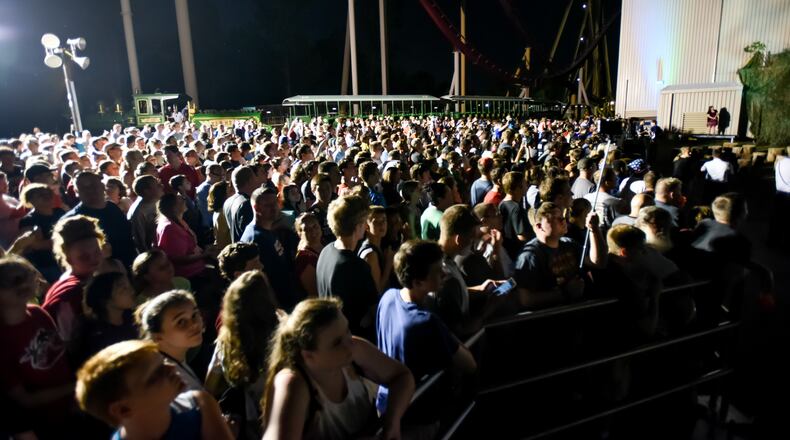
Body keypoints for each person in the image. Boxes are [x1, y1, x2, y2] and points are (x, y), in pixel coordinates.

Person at [260, 298, 415, 440]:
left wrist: (392, 421)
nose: (350, 343)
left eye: (347, 330)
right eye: (337, 342)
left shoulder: (352, 351)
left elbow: (402, 376)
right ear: (309, 356)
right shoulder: (293, 384)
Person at [377, 241, 477, 419]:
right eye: (438, 272)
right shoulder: (426, 322)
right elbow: (469, 364)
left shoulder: (388, 297)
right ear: (418, 282)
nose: (445, 274)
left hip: (388, 404)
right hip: (418, 415)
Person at [75, 340, 233, 440]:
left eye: (163, 362)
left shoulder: (201, 405)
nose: (171, 368)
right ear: (123, 409)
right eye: (156, 374)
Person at [0, 256, 74, 438]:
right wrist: (75, 386)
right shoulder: (2, 338)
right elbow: (24, 400)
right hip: (41, 426)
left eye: (26, 275)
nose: (23, 283)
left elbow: (62, 357)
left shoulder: (38, 313)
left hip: (72, 411)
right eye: (12, 281)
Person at [205, 271, 280, 440]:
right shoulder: (283, 335)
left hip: (249, 422)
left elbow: (210, 386)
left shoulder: (226, 342)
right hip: (283, 413)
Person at [514, 202, 606, 309]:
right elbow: (526, 299)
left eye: (562, 217)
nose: (564, 221)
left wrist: (594, 230)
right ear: (540, 226)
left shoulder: (569, 244)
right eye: (557, 219)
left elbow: (598, 263)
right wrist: (565, 293)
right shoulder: (529, 256)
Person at [316, 195, 379, 340]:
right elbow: (375, 310)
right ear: (358, 227)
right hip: (353, 342)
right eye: (364, 222)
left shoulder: (325, 251)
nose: (366, 226)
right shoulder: (356, 266)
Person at [43, 215, 106, 350]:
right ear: (68, 257)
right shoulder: (70, 294)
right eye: (84, 256)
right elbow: (69, 346)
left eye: (97, 252)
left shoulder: (93, 280)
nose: (93, 259)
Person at [135, 290, 206, 398]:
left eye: (194, 315)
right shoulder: (166, 379)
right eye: (181, 322)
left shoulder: (174, 359)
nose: (194, 324)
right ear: (158, 337)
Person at [240, 186, 298, 311]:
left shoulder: (269, 230)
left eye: (275, 203)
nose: (274, 208)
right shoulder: (256, 238)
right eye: (268, 205)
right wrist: (278, 311)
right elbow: (262, 282)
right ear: (256, 208)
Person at [64, 171, 136, 268]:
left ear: (102, 186)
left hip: (129, 264)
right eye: (84, 187)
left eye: (94, 185)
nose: (90, 190)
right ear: (76, 192)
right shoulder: (73, 220)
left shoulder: (112, 207)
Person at [80, 271, 138, 361]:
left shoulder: (133, 319)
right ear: (106, 300)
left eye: (129, 286)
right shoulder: (98, 338)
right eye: (124, 289)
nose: (132, 291)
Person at [155, 193, 214, 280]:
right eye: (181, 199)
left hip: (195, 268)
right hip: (189, 274)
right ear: (173, 207)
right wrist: (204, 255)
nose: (184, 200)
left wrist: (204, 250)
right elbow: (179, 258)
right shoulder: (169, 227)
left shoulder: (178, 221)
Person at [17, 183, 65, 282]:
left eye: (48, 193)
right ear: (30, 200)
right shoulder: (28, 221)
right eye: (40, 195)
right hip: (48, 266)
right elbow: (34, 245)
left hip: (67, 260)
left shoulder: (60, 213)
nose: (46, 196)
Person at [359, 206, 394, 294]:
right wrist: (388, 264)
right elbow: (378, 291)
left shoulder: (381, 246)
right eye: (376, 222)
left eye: (384, 220)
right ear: (366, 226)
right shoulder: (370, 254)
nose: (382, 225)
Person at [499, 171, 531, 261]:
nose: (527, 186)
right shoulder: (516, 208)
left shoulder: (502, 204)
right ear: (517, 188)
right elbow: (521, 236)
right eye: (524, 184)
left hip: (508, 252)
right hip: (518, 254)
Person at [127, 174, 163, 253]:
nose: (162, 186)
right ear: (147, 191)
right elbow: (140, 240)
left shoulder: (158, 201)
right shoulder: (138, 213)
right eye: (157, 185)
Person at [223, 165, 257, 243]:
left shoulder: (227, 201)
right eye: (255, 178)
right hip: (247, 249)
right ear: (250, 180)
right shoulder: (247, 204)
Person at [294, 212, 323, 299]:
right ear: (299, 233)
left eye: (315, 226)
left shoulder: (322, 243)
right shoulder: (304, 258)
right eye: (306, 229)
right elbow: (315, 293)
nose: (313, 231)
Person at [195, 164, 225, 232]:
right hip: (210, 226)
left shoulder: (210, 186)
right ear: (210, 174)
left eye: (223, 174)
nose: (222, 177)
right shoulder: (206, 189)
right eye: (219, 175)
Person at [208, 180, 233, 250]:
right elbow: (221, 241)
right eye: (231, 191)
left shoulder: (220, 211)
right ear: (223, 195)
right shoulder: (222, 213)